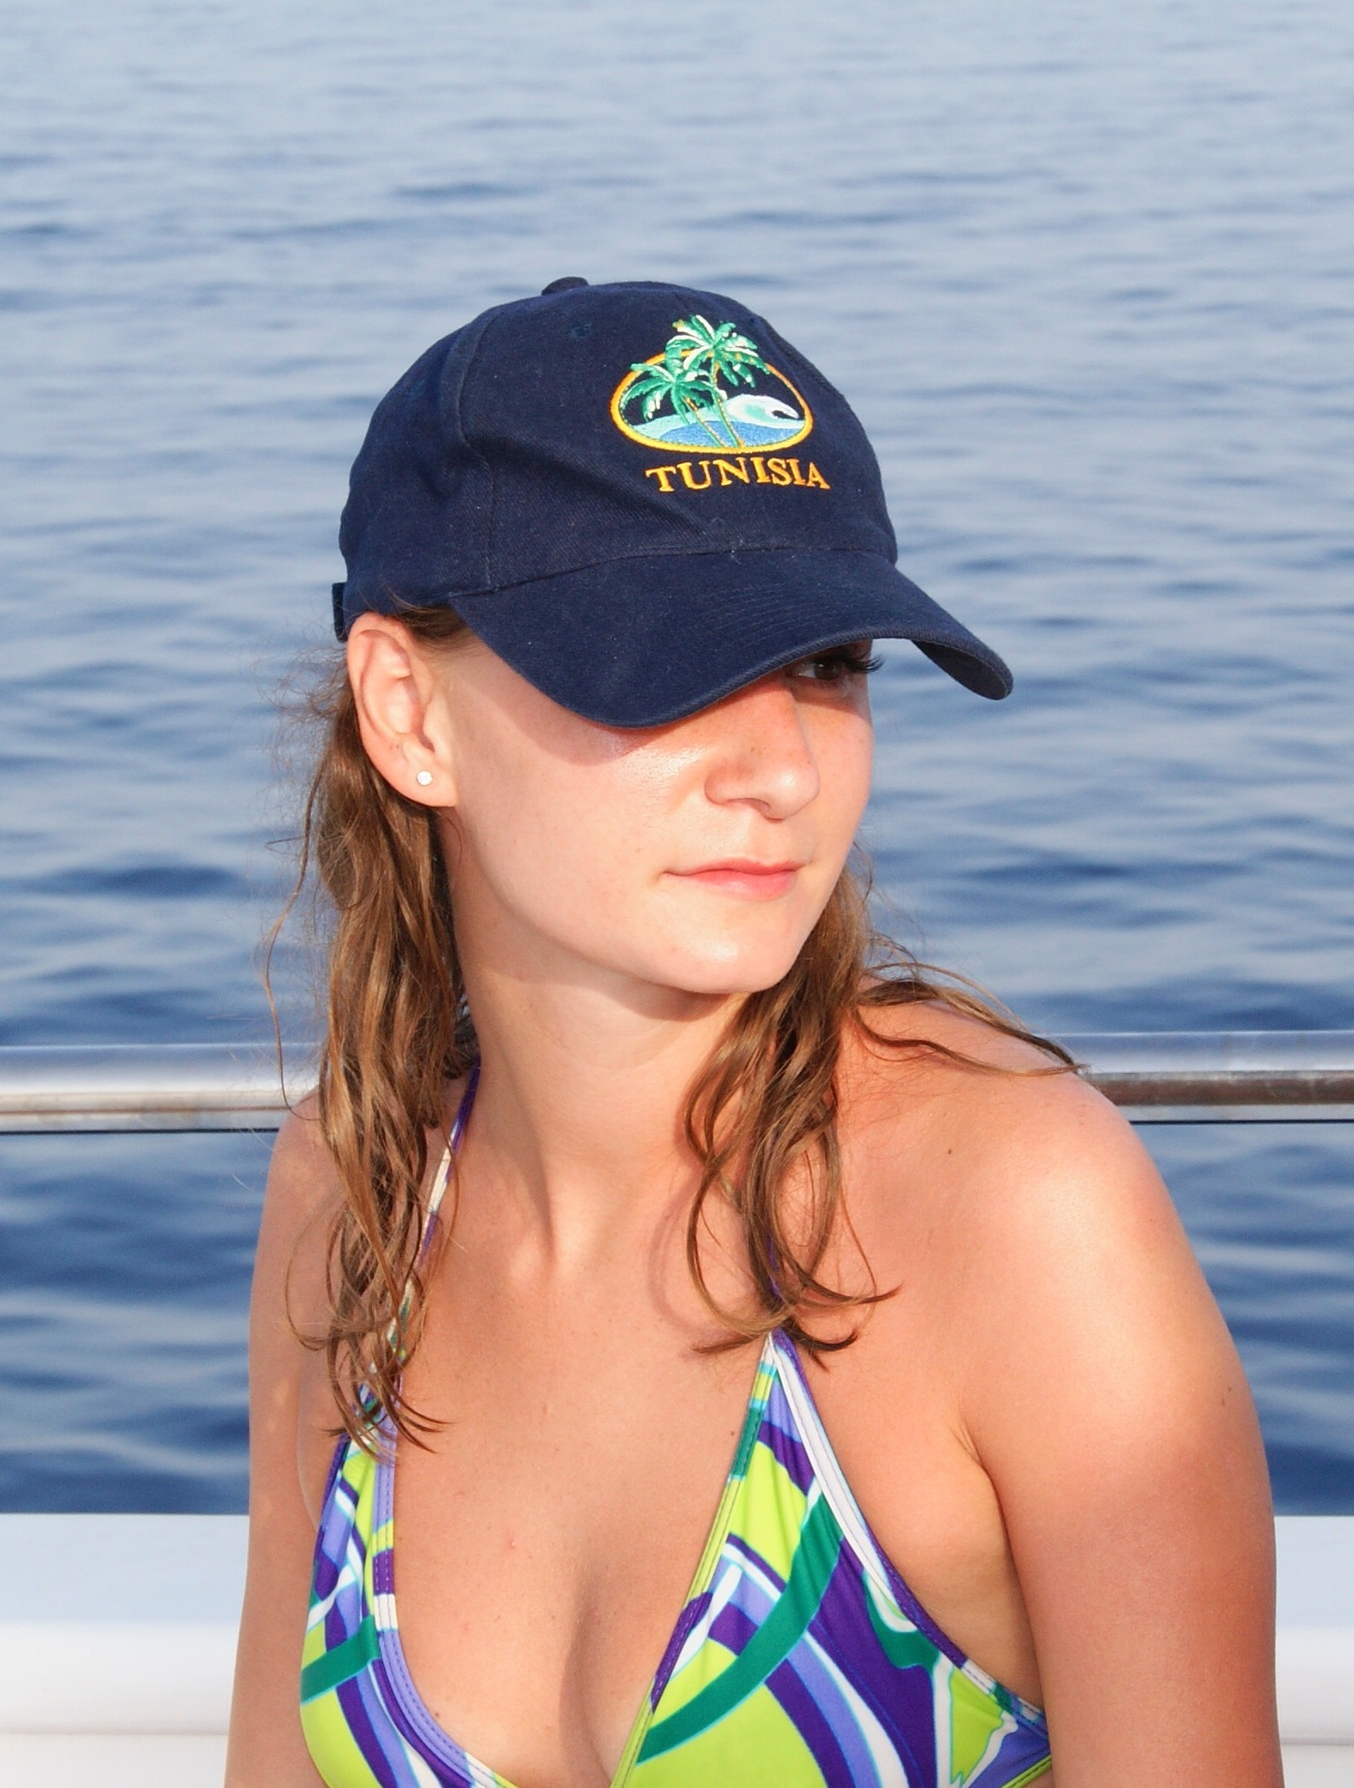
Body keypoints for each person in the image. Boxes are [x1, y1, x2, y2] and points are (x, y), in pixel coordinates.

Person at [227, 278, 1281, 1788]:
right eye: (666, 664)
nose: (781, 768)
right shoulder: (354, 1197)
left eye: (827, 665)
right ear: (408, 712)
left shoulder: (1009, 1212)